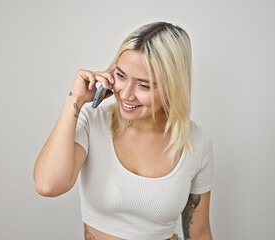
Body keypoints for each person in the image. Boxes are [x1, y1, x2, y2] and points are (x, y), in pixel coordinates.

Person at [34, 22, 214, 240]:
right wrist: (75, 99)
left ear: (172, 87)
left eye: (144, 85)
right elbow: (48, 185)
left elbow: (200, 233)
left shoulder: (195, 141)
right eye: (120, 76)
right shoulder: (92, 120)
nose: (126, 94)